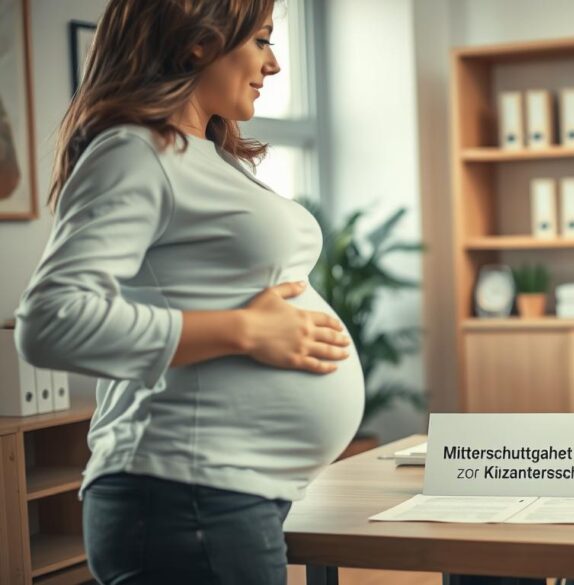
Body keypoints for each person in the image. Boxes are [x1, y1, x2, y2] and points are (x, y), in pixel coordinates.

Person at [14, 1, 363, 583]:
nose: (273, 64)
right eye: (261, 40)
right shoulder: (135, 151)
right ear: (201, 41)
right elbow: (50, 321)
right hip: (185, 496)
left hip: (219, 495)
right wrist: (245, 330)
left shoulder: (205, 155)